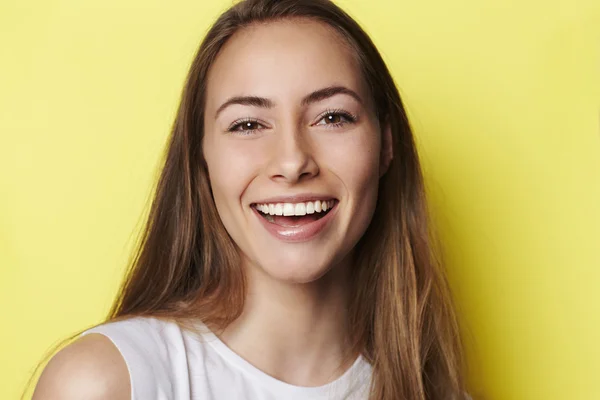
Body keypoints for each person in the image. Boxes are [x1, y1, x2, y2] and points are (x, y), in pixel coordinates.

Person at [31, 0, 468, 399]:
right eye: (247, 125)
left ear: (386, 145)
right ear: (201, 158)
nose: (293, 161)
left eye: (333, 117)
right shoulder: (105, 383)